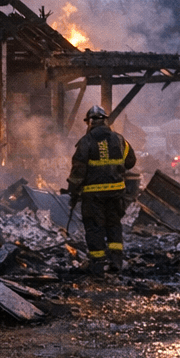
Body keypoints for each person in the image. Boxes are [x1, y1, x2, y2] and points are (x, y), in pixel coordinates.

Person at [67, 104, 136, 274]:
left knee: (94, 227)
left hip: (93, 196)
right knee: (113, 225)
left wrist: (73, 192)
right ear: (105, 121)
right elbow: (131, 162)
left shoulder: (86, 142)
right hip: (116, 193)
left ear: (89, 122)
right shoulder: (119, 139)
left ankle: (97, 265)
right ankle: (116, 262)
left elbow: (78, 171)